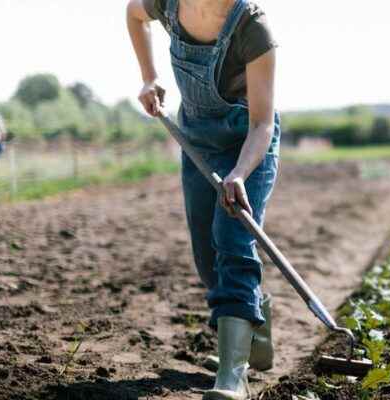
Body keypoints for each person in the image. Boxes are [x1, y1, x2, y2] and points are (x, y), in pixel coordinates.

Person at [127, 0, 279, 398]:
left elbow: (263, 124)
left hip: (247, 146)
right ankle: (253, 320)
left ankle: (233, 376)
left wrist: (239, 174)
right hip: (197, 140)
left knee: (232, 241)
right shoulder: (169, 4)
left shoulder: (253, 29)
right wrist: (149, 77)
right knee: (206, 253)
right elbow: (133, 12)